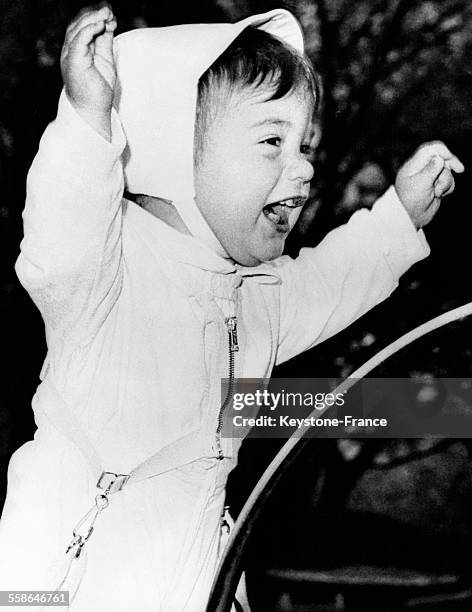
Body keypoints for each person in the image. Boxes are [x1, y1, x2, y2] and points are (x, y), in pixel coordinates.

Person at [0, 4, 463, 611]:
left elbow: (330, 281)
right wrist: (88, 121)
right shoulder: (106, 271)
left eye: (307, 147)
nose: (303, 169)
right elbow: (62, 228)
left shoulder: (255, 295)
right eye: (273, 141)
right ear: (171, 146)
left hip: (196, 579)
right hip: (62, 582)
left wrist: (397, 218)